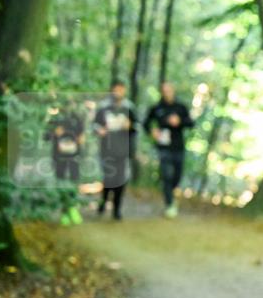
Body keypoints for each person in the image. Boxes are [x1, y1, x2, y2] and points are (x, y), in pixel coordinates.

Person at [144, 82, 194, 218]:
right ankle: (169, 204)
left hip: (178, 147)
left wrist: (179, 121)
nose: (167, 92)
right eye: (164, 90)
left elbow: (190, 122)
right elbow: (146, 123)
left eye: (169, 90)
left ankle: (171, 194)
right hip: (163, 147)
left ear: (173, 90)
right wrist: (152, 131)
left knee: (177, 175)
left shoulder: (180, 107)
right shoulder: (157, 108)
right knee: (166, 175)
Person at [93, 80, 136, 221]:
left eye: (121, 89)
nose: (118, 92)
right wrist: (100, 130)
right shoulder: (104, 107)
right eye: (116, 89)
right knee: (108, 177)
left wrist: (130, 126)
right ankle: (103, 203)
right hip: (107, 149)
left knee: (121, 179)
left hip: (123, 150)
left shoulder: (129, 108)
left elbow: (137, 127)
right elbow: (94, 125)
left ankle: (117, 208)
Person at [44, 100, 85, 226]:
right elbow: (45, 137)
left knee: (74, 181)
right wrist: (54, 133)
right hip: (59, 157)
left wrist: (81, 140)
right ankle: (64, 212)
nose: (69, 105)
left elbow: (82, 137)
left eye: (71, 102)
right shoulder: (54, 119)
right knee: (61, 182)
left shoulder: (77, 118)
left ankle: (73, 208)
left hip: (74, 157)